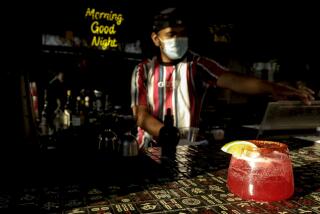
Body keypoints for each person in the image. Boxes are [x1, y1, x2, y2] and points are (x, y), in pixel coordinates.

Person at [130, 8, 315, 148]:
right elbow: (141, 115)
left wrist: (277, 88)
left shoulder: (197, 65)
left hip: (188, 149)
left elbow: (236, 81)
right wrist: (165, 133)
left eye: (183, 34)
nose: (178, 39)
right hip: (151, 149)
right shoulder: (144, 70)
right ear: (156, 39)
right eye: (172, 34)